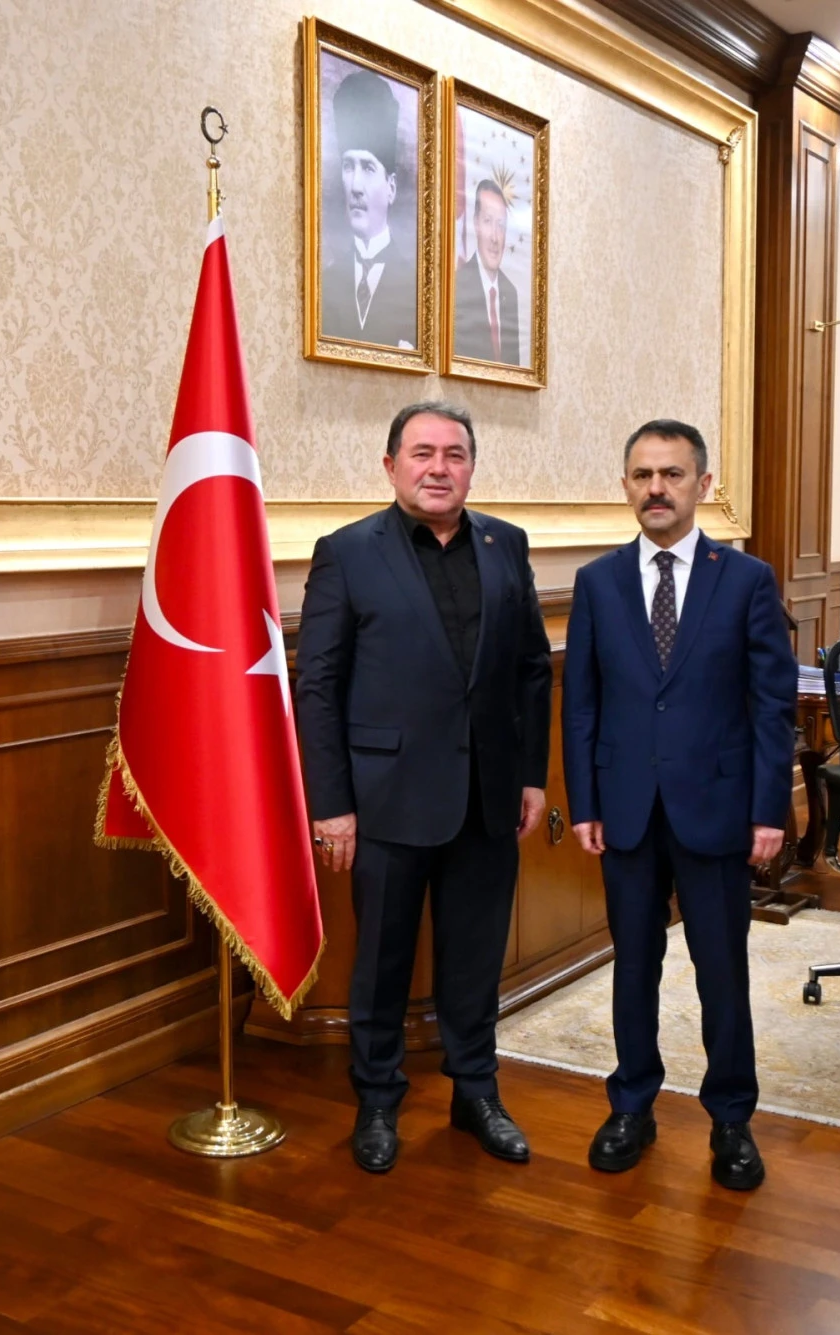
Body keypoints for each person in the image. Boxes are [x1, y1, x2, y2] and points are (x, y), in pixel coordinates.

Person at [296, 401, 552, 1173]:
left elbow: (532, 670)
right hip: (384, 797)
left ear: (471, 466)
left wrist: (531, 775)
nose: (439, 468)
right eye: (422, 453)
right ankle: (378, 1099)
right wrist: (331, 804)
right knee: (382, 960)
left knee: (475, 957)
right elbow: (318, 685)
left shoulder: (506, 544)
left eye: (455, 454)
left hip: (488, 795)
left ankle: (477, 1092)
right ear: (391, 465)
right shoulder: (347, 552)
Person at [561, 419, 796, 1190]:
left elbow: (771, 707)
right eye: (642, 474)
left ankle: (731, 1117)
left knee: (721, 970)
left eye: (671, 473)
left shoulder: (747, 579)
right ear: (626, 485)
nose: (656, 488)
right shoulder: (598, 582)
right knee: (634, 965)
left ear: (703, 484)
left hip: (718, 809)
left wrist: (769, 809)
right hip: (625, 810)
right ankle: (632, 1103)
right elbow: (582, 704)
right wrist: (585, 802)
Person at [320, 68, 417, 349]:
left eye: (368, 168)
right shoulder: (326, 283)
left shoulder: (414, 289)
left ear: (391, 188)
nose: (355, 186)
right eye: (348, 166)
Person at [453, 179, 520, 365]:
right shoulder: (456, 287)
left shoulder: (510, 293)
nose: (494, 237)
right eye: (488, 221)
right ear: (476, 224)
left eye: (501, 225)